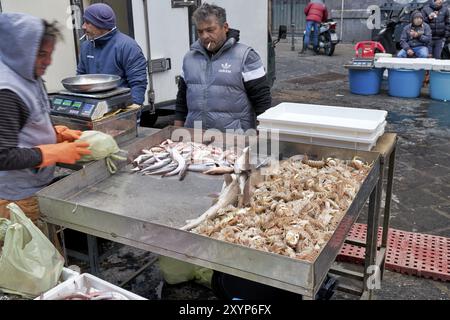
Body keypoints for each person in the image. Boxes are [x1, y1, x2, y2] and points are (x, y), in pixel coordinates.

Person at [0, 13, 91, 229]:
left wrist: (55, 133)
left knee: (48, 255)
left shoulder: (27, 73)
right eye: (41, 54)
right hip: (14, 198)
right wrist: (54, 152)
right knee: (31, 260)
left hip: (33, 187)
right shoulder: (7, 92)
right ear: (19, 52)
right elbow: (3, 155)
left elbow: (27, 120)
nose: (48, 62)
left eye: (50, 54)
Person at [174, 3, 272, 132]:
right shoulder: (189, 58)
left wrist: (264, 137)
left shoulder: (246, 56)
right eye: (200, 31)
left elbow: (262, 101)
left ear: (225, 27)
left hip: (236, 139)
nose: (204, 36)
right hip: (196, 139)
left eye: (210, 30)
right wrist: (176, 131)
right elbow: (182, 99)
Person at [77, 3, 148, 124]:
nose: (83, 26)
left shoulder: (127, 46)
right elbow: (81, 78)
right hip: (93, 115)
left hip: (121, 115)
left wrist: (131, 115)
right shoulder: (86, 47)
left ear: (101, 24)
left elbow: (138, 84)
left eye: (88, 23)